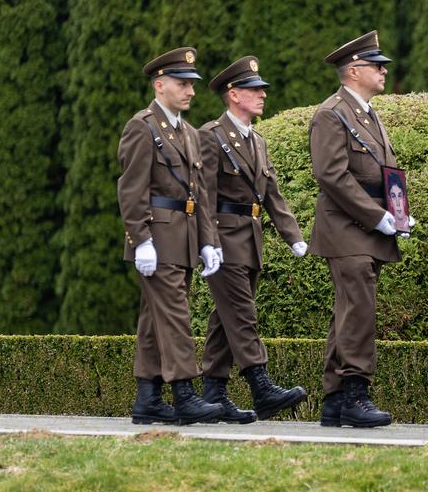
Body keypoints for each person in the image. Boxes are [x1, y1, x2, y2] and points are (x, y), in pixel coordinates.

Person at [197, 55, 309, 423]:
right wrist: (208, 242)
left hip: (251, 240)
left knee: (224, 320)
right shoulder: (211, 136)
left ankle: (214, 395)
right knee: (243, 315)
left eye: (262, 89)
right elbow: (204, 197)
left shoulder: (256, 141)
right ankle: (261, 387)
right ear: (233, 94)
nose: (262, 95)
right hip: (224, 241)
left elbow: (271, 194)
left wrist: (293, 235)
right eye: (254, 89)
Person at [118, 46, 223, 426]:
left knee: (154, 320)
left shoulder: (191, 134)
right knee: (176, 314)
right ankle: (184, 393)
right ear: (159, 85)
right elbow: (131, 189)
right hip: (157, 240)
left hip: (185, 239)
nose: (191, 91)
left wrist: (209, 240)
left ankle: (147, 398)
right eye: (182, 84)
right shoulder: (142, 126)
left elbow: (201, 194)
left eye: (192, 84)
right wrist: (140, 238)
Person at [309, 31, 401, 428]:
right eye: (376, 65)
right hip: (347, 225)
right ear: (353, 70)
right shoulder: (332, 113)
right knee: (358, 306)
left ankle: (334, 398)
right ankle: (354, 393)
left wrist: (398, 212)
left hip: (367, 224)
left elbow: (384, 173)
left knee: (350, 309)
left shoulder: (368, 112)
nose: (383, 70)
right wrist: (376, 215)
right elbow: (331, 174)